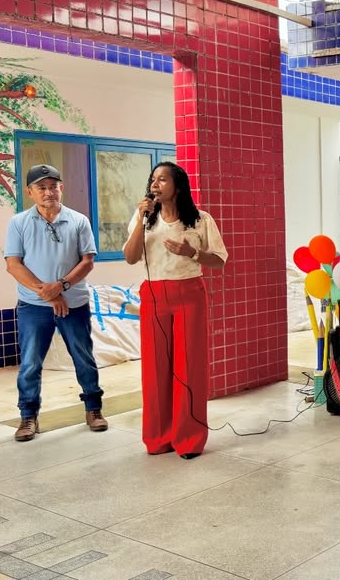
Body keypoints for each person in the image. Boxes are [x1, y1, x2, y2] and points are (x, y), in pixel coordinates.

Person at [123, 162, 227, 459]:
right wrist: (141, 221)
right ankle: (158, 438)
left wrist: (191, 252)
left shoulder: (200, 220)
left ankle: (189, 438)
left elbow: (219, 260)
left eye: (162, 179)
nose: (155, 184)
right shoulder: (145, 219)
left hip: (189, 294)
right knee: (155, 369)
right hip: (154, 295)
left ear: (178, 186)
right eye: (153, 179)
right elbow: (130, 257)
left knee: (189, 367)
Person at [4, 164, 107, 441]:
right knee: (30, 362)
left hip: (74, 304)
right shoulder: (18, 223)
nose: (49, 192)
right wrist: (49, 294)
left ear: (62, 188)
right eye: (42, 187)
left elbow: (87, 261)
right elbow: (13, 265)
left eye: (53, 186)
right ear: (30, 192)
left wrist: (61, 286)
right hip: (33, 307)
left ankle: (94, 409)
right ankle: (28, 416)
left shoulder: (79, 221)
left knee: (83, 357)